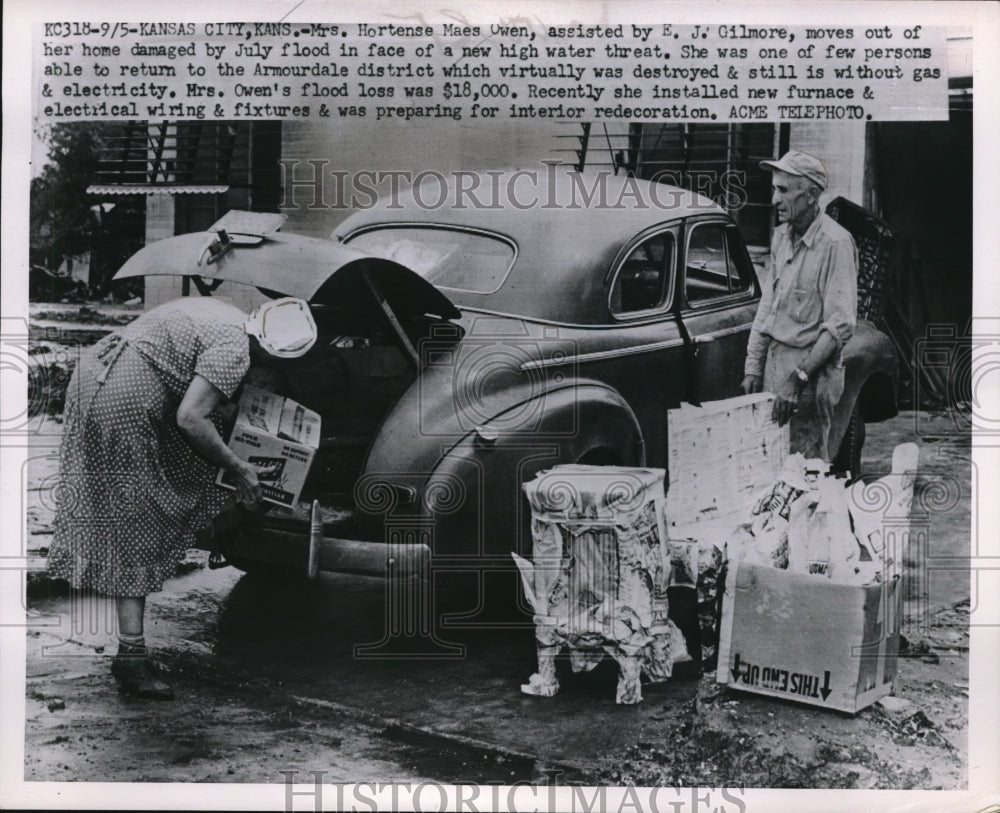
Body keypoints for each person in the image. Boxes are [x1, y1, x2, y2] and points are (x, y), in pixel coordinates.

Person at [47, 295, 317, 699]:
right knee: (138, 520)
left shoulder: (228, 315)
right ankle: (132, 659)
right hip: (126, 400)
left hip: (98, 373)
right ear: (268, 351)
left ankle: (132, 652)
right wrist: (240, 468)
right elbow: (190, 418)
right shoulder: (235, 353)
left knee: (139, 506)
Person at [741, 150, 858, 462]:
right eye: (774, 189)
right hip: (774, 370)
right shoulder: (781, 237)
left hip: (809, 379)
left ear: (811, 196)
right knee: (767, 467)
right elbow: (768, 307)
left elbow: (839, 327)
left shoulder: (836, 244)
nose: (775, 200)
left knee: (804, 475)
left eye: (784, 190)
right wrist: (754, 365)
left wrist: (798, 380)